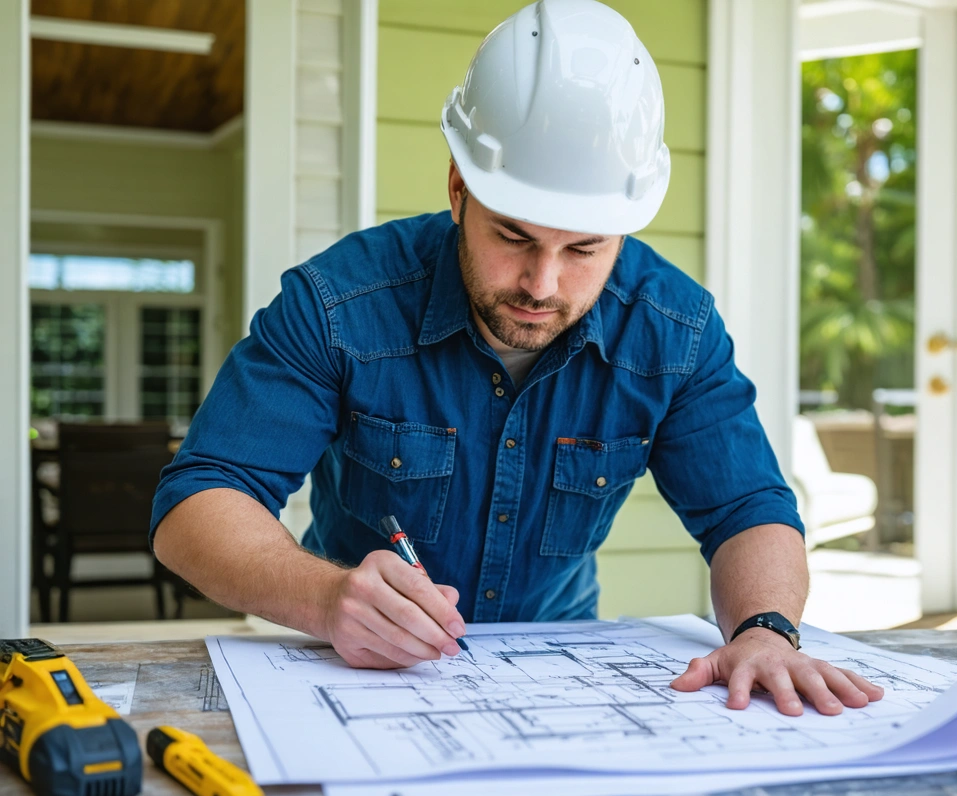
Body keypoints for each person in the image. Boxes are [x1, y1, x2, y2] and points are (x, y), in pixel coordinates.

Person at [151, 0, 883, 717]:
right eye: (515, 237)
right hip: (349, 667)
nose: (542, 283)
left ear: (623, 230)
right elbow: (198, 502)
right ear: (458, 188)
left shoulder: (674, 329)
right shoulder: (340, 304)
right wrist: (326, 596)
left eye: (584, 250)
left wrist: (765, 629)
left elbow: (747, 507)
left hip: (560, 676)